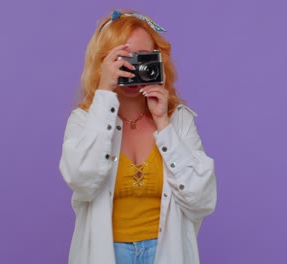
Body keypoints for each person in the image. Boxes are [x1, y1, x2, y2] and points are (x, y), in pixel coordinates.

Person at [59, 9, 217, 264]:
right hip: (107, 253)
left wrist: (163, 123)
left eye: (143, 58)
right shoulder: (85, 121)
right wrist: (104, 95)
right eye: (123, 59)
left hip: (167, 252)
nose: (133, 68)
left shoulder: (179, 120)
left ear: (158, 60)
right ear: (103, 63)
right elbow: (81, 180)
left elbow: (203, 200)